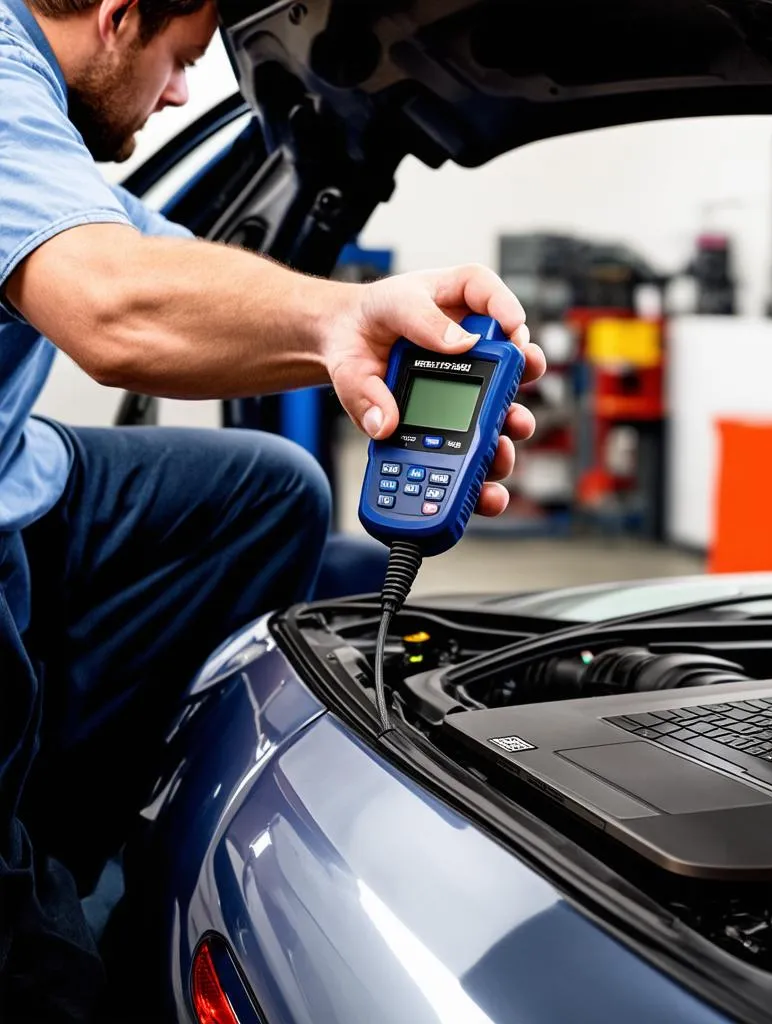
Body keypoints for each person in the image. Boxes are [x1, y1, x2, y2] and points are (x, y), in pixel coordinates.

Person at [0, 0, 547, 1017]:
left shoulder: (37, 122)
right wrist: (338, 314)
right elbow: (111, 304)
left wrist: (364, 337)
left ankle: (63, 844)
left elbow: (159, 262)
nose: (176, 94)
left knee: (265, 491)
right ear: (120, 15)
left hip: (12, 464)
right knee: (49, 982)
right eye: (181, 63)